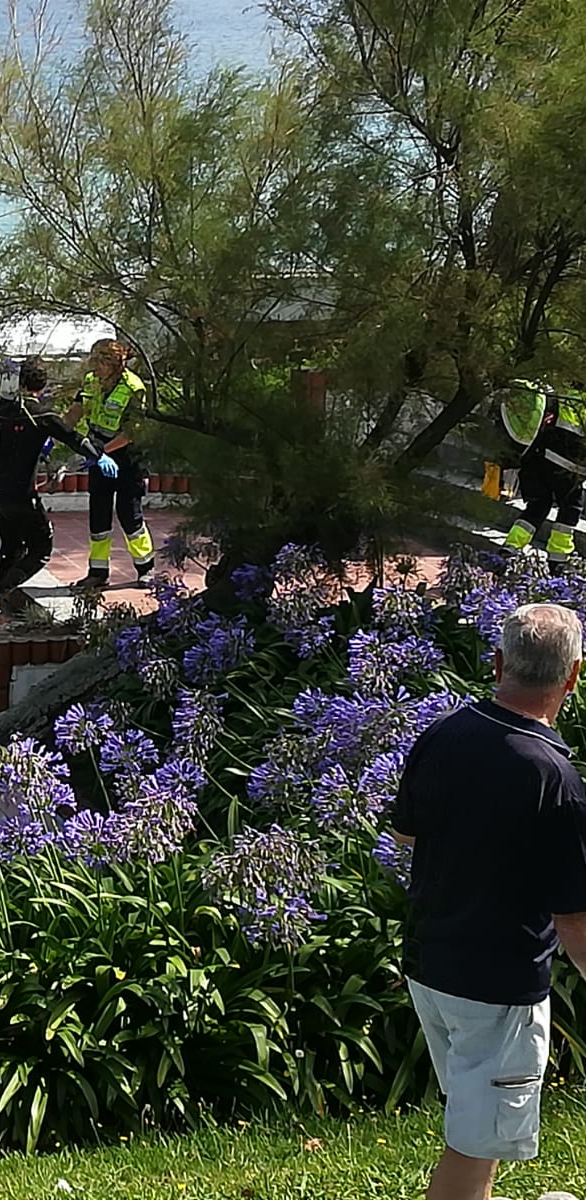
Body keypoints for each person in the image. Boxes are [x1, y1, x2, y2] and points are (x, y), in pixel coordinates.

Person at [391, 603, 586, 1200]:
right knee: (474, 1145)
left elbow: (406, 834)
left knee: (478, 1117)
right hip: (498, 987)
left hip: (431, 968)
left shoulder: (445, 733)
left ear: (498, 663)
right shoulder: (555, 778)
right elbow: (574, 918)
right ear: (574, 676)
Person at [0, 356, 116, 599]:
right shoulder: (43, 416)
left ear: (20, 381)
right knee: (40, 549)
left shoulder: (1, 412)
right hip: (22, 495)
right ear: (43, 387)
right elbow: (73, 437)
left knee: (11, 549)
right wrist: (99, 456)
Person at [69, 338, 154, 587]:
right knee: (98, 513)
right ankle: (97, 572)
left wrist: (102, 452)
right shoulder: (91, 381)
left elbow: (132, 431)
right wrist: (54, 434)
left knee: (130, 515)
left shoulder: (134, 388)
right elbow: (76, 410)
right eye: (94, 360)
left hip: (127, 458)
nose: (95, 367)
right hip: (99, 456)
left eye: (101, 362)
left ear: (116, 364)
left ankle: (145, 568)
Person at [499, 380, 586, 570]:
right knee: (570, 509)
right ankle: (558, 560)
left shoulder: (560, 396)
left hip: (537, 461)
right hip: (568, 470)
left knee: (538, 506)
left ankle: (510, 548)